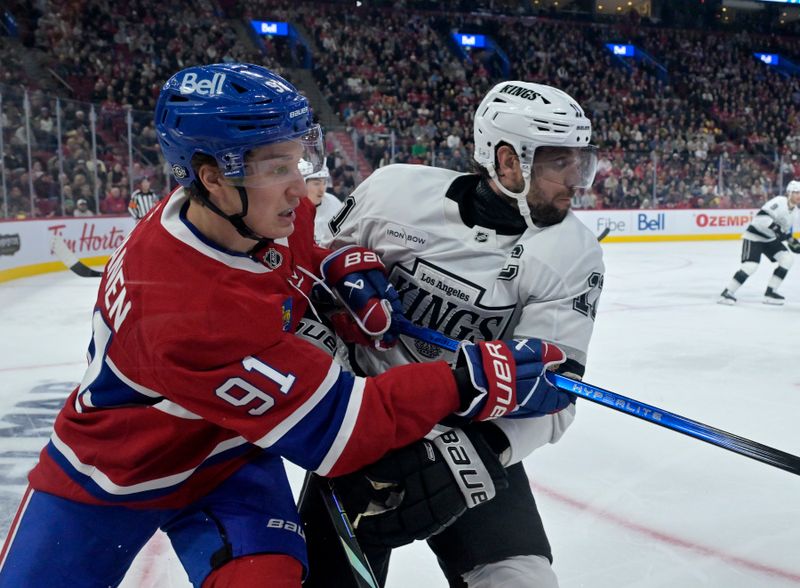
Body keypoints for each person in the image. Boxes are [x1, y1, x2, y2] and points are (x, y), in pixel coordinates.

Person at [0, 64, 573, 588]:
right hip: (114, 475)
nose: (303, 189)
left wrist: (334, 268)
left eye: (299, 157)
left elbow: (303, 253)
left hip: (227, 459)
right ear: (213, 177)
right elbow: (345, 432)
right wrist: (464, 378)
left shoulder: (242, 212)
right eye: (277, 167)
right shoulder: (185, 311)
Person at [315, 81, 605, 587]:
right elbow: (306, 277)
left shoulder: (572, 251)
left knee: (522, 581)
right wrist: (334, 276)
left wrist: (486, 447)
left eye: (581, 161)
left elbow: (556, 390)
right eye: (560, 163)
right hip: (361, 417)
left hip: (467, 433)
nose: (576, 181)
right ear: (508, 160)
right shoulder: (393, 193)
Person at [719, 180, 800, 305]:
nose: (799, 195)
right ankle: (727, 293)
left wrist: (790, 241)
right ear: (789, 193)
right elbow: (760, 219)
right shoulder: (779, 201)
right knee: (750, 266)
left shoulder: (795, 211)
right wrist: (780, 232)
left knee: (787, 259)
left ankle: (771, 292)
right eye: (796, 192)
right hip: (754, 237)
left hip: (769, 239)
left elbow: (782, 231)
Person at [298, 158, 342, 243]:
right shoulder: (291, 209)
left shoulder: (334, 203)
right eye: (316, 184)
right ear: (302, 184)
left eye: (324, 183)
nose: (322, 189)